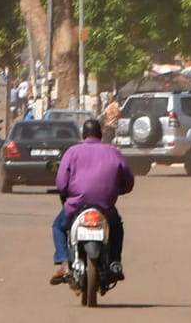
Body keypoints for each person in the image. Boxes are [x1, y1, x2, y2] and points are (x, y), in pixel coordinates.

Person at [51, 118, 134, 286]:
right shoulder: (113, 152)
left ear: (83, 135)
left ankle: (64, 264)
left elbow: (61, 183)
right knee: (116, 227)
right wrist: (120, 189)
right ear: (101, 134)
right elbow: (128, 180)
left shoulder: (72, 152)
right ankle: (115, 263)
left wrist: (67, 192)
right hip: (106, 207)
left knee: (58, 226)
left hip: (76, 206)